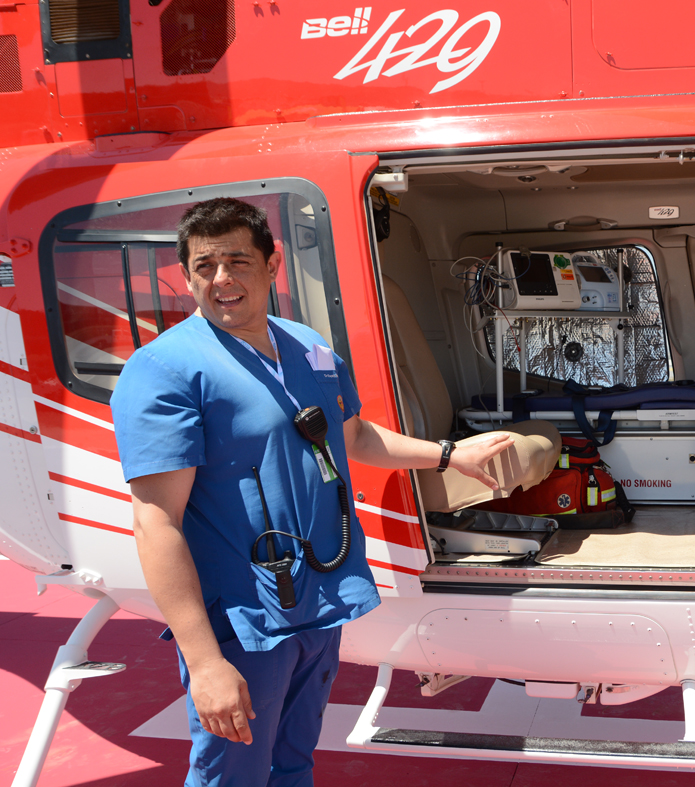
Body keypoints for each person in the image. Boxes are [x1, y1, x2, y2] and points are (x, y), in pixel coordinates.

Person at [111, 198, 513, 786]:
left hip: (319, 598)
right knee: (233, 775)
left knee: (294, 764)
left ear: (272, 266)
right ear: (187, 275)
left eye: (238, 262)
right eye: (204, 266)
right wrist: (205, 662)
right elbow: (156, 522)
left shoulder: (307, 346)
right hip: (247, 617)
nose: (221, 280)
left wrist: (450, 454)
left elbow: (354, 435)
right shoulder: (164, 371)